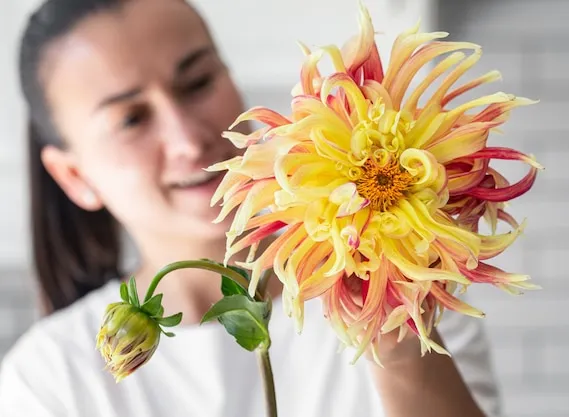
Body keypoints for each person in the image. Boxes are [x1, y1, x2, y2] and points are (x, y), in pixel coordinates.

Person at [0, 0, 503, 416]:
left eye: (197, 83)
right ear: (74, 176)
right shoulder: (47, 377)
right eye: (132, 119)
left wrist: (392, 331)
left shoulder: (408, 283)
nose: (188, 139)